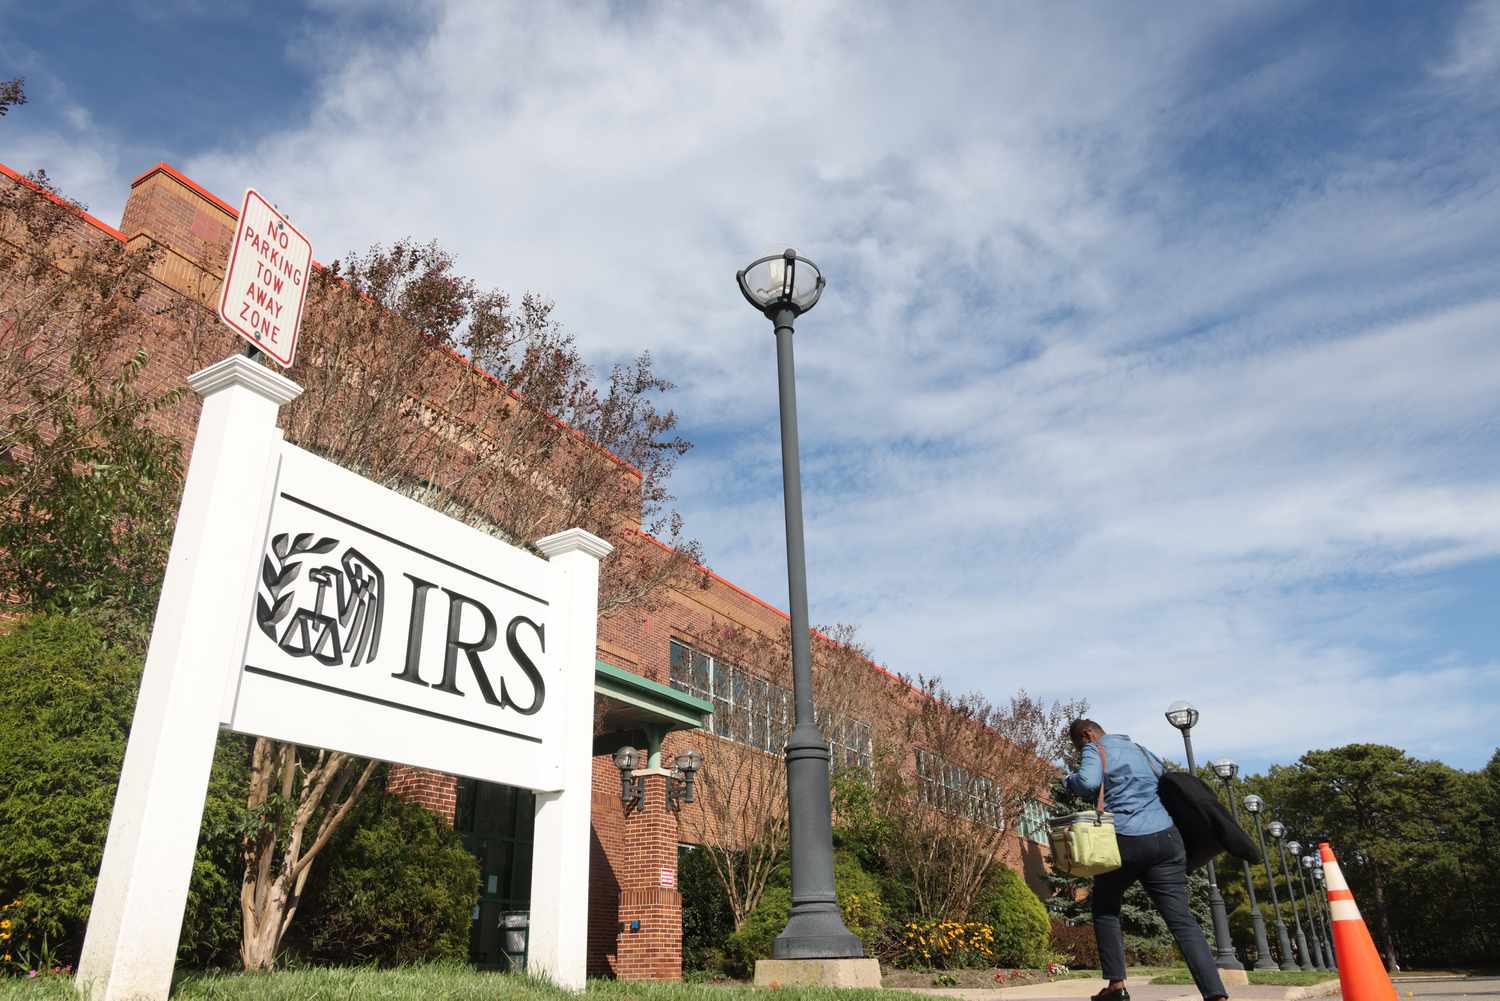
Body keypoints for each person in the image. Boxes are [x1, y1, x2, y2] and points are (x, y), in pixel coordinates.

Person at [1063, 718, 1228, 1001]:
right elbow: (1164, 780)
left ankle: (1116, 986)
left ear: (1087, 734)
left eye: (1079, 745)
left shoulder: (1095, 748)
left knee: (1105, 907)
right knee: (1182, 920)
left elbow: (1087, 782)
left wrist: (1069, 780)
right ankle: (1215, 994)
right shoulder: (1140, 749)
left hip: (1126, 839)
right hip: (1166, 839)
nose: (1081, 750)